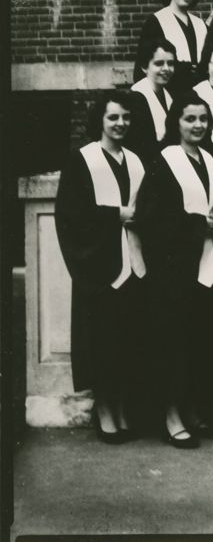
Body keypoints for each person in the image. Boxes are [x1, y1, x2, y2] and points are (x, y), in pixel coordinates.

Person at [55, 91, 147, 443]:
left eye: (125, 117)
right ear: (100, 121)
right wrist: (117, 215)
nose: (120, 123)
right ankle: (105, 410)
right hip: (101, 267)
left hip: (134, 262)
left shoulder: (136, 161)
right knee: (104, 343)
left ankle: (122, 407)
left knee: (127, 341)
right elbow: (71, 214)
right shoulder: (83, 159)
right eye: (113, 118)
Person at [135, 92, 213, 449]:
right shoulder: (163, 161)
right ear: (177, 122)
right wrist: (194, 224)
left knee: (198, 340)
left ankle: (190, 408)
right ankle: (170, 416)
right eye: (190, 119)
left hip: (207, 262)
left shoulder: (210, 158)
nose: (198, 125)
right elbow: (151, 217)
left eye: (203, 118)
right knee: (171, 342)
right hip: (173, 267)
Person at [134, 0, 206, 97]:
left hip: (199, 98)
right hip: (169, 96)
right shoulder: (156, 22)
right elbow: (142, 69)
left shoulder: (200, 24)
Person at [126, 39, 176, 163]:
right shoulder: (136, 97)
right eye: (159, 64)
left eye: (170, 63)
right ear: (144, 67)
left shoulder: (168, 95)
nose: (166, 69)